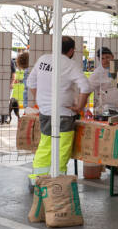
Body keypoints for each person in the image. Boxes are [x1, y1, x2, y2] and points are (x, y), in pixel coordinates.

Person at [27, 36, 92, 182]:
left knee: (45, 145)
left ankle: (37, 180)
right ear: (71, 50)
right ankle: (56, 183)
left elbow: (31, 82)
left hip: (45, 112)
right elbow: (86, 87)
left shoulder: (43, 59)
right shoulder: (70, 64)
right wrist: (79, 107)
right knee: (61, 149)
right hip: (64, 113)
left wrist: (43, 100)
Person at [89, 47, 118, 116]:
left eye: (107, 57)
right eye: (102, 58)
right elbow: (87, 89)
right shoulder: (97, 73)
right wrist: (86, 108)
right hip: (106, 109)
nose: (105, 60)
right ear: (98, 60)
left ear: (112, 57)